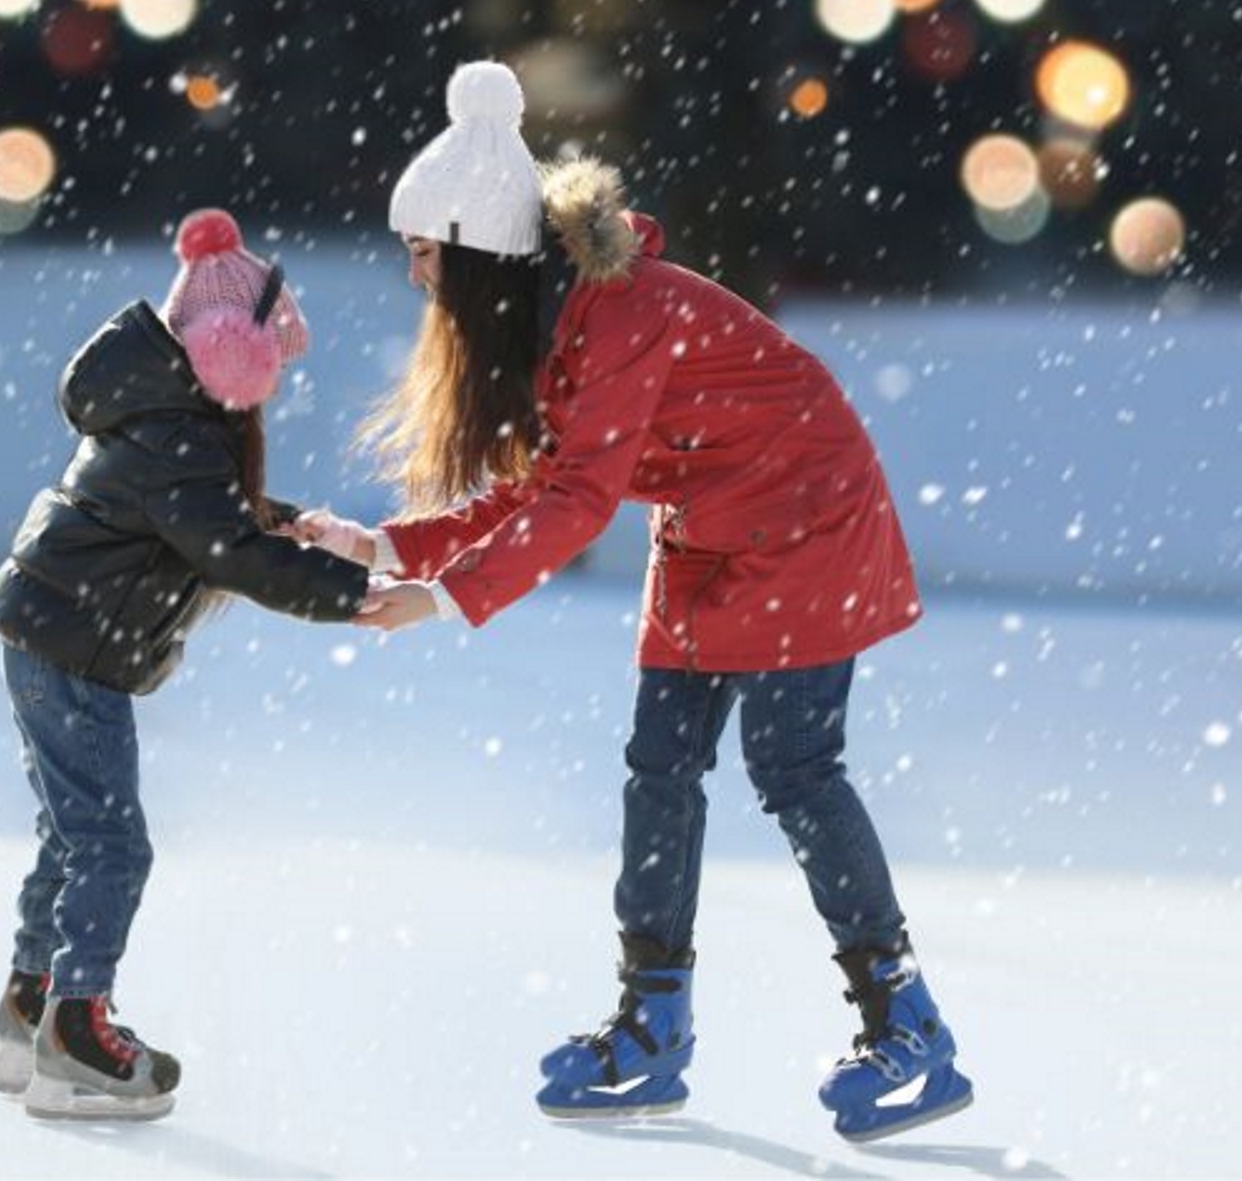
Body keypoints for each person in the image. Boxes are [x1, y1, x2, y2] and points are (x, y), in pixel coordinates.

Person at [298, 62, 973, 1141]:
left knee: (793, 766)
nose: (415, 276)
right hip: (706, 530)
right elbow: (538, 480)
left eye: (423, 251)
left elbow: (573, 502)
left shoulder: (620, 312)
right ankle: (650, 1025)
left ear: (475, 250)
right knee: (658, 766)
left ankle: (909, 1028)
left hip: (806, 516)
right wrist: (383, 543)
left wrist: (444, 597)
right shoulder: (546, 319)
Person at [0, 208, 369, 1120]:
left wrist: (287, 524)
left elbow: (210, 521)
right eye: (268, 358)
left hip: (53, 636)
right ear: (226, 349)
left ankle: (33, 1005)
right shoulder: (178, 434)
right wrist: (346, 594)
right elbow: (223, 550)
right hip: (72, 649)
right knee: (112, 846)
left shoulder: (162, 416)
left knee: (73, 837)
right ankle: (76, 1035)